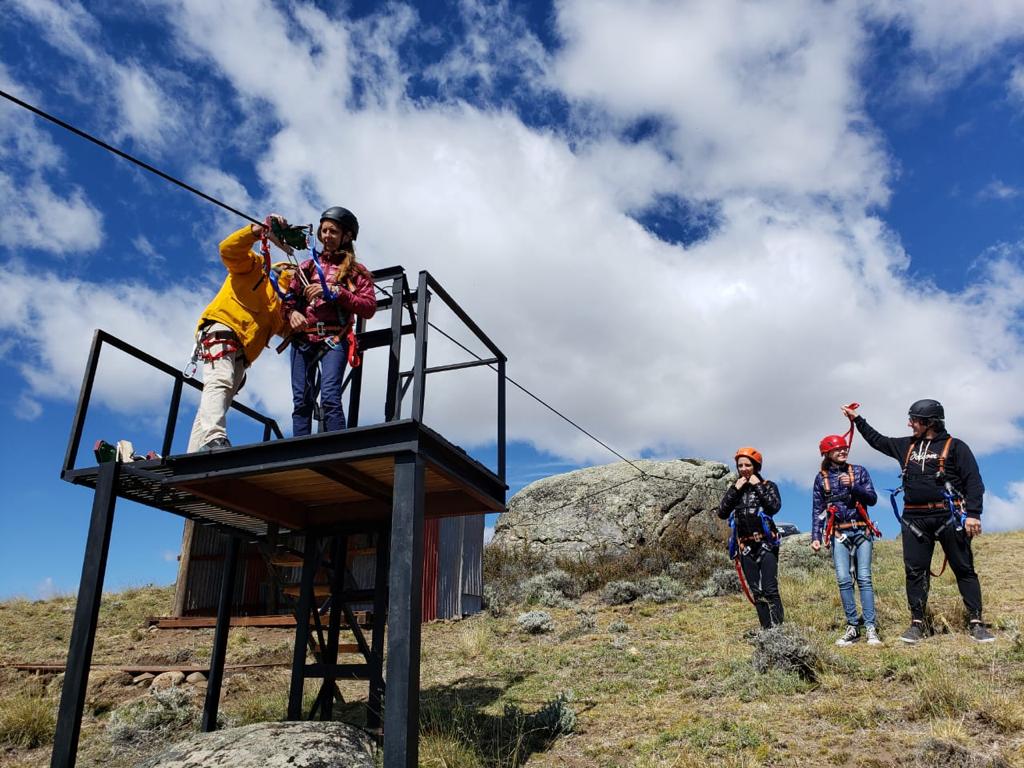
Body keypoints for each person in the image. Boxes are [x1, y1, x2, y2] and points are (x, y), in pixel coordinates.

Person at [843, 400, 995, 643]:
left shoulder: (956, 447)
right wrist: (856, 420)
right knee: (914, 572)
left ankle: (976, 622)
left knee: (964, 569)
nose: (909, 423)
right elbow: (878, 440)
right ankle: (917, 623)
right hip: (914, 519)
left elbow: (974, 482)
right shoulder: (906, 445)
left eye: (913, 420)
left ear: (929, 422)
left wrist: (974, 514)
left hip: (950, 516)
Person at [187, 214, 303, 452]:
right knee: (220, 381)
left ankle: (195, 452)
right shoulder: (256, 268)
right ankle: (213, 438)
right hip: (222, 328)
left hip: (242, 352)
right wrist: (255, 230)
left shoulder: (279, 308)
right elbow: (228, 250)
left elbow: (291, 330)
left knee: (220, 395)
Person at [283, 206, 377, 436]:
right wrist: (291, 314)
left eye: (333, 231)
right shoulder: (306, 267)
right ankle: (300, 454)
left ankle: (337, 451)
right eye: (324, 231)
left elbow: (369, 308)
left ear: (346, 236)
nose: (326, 236)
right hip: (303, 340)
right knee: (301, 401)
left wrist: (336, 291)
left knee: (330, 397)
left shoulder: (356, 272)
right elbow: (288, 299)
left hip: (334, 338)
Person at [811, 434, 881, 646]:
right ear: (827, 454)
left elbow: (872, 499)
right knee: (843, 579)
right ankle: (853, 627)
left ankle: (870, 627)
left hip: (861, 531)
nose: (843, 451)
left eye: (845, 448)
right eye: (838, 449)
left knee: (864, 578)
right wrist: (816, 536)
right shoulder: (821, 478)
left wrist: (853, 486)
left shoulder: (859, 472)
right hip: (838, 534)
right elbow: (818, 509)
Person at [718, 447, 784, 629]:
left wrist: (758, 485)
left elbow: (773, 507)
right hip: (745, 546)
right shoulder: (736, 489)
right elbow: (722, 512)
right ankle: (766, 630)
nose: (744, 468)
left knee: (770, 589)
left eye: (748, 465)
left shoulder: (769, 485)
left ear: (756, 466)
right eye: (740, 465)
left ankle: (779, 632)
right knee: (757, 591)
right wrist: (734, 488)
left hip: (766, 543)